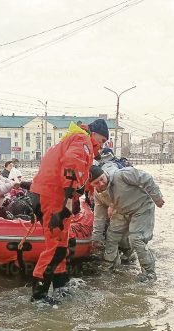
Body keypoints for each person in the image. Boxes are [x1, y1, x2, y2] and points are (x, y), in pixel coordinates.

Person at [29, 119, 109, 303]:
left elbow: (74, 170)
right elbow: (72, 164)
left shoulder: (72, 139)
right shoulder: (83, 141)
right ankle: (39, 295)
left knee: (64, 242)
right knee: (56, 247)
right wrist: (68, 197)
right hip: (52, 197)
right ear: (95, 134)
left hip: (48, 194)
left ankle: (60, 284)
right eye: (103, 141)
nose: (101, 146)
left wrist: (72, 197)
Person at [88, 165, 164, 282]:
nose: (101, 184)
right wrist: (96, 237)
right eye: (96, 183)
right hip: (122, 210)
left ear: (105, 174)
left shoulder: (122, 175)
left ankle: (149, 272)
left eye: (101, 179)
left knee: (136, 238)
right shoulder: (98, 195)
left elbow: (146, 178)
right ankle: (109, 266)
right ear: (92, 185)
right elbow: (99, 217)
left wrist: (157, 197)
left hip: (141, 207)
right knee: (112, 236)